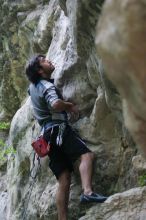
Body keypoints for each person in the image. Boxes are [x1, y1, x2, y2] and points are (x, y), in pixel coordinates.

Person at [25, 54, 107, 220]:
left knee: (64, 178)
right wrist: (69, 106)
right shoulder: (46, 86)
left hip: (46, 137)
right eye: (44, 61)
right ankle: (88, 192)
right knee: (87, 155)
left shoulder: (33, 87)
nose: (49, 60)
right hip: (59, 130)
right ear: (40, 71)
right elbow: (55, 104)